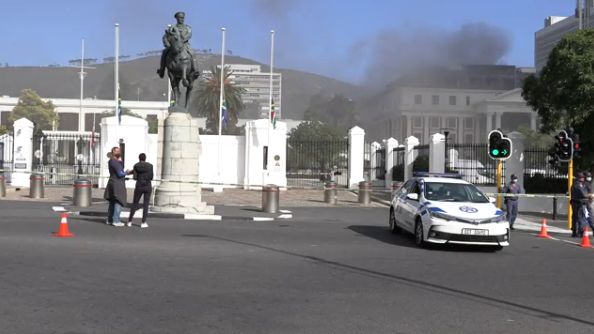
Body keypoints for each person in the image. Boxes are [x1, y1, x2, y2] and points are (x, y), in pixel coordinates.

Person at [157, 11, 196, 78]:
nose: (182, 19)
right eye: (180, 18)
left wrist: (181, 41)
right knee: (164, 52)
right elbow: (165, 37)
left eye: (183, 18)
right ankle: (162, 70)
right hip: (173, 46)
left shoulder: (187, 28)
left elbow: (189, 35)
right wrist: (167, 44)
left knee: (192, 53)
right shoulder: (172, 28)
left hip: (185, 45)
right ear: (177, 18)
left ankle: (195, 70)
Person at [103, 147, 129, 227]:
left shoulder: (114, 161)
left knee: (112, 201)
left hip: (113, 182)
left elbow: (121, 168)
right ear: (113, 152)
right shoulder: (114, 161)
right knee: (118, 201)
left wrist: (120, 161)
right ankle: (116, 220)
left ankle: (110, 219)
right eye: (116, 151)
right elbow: (120, 173)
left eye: (119, 151)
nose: (118, 152)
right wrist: (127, 173)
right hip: (117, 183)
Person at [127, 153, 154, 228]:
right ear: (145, 158)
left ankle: (129, 221)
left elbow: (135, 177)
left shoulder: (136, 166)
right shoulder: (150, 166)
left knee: (135, 203)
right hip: (147, 186)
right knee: (146, 204)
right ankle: (143, 222)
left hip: (139, 185)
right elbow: (151, 176)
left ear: (139, 158)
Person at [570, 172, 589, 237]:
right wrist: (589, 195)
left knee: (575, 217)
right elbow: (583, 194)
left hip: (574, 203)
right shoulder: (578, 185)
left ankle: (574, 232)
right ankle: (581, 232)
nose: (583, 178)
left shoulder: (574, 184)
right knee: (580, 217)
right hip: (578, 203)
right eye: (582, 177)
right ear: (579, 178)